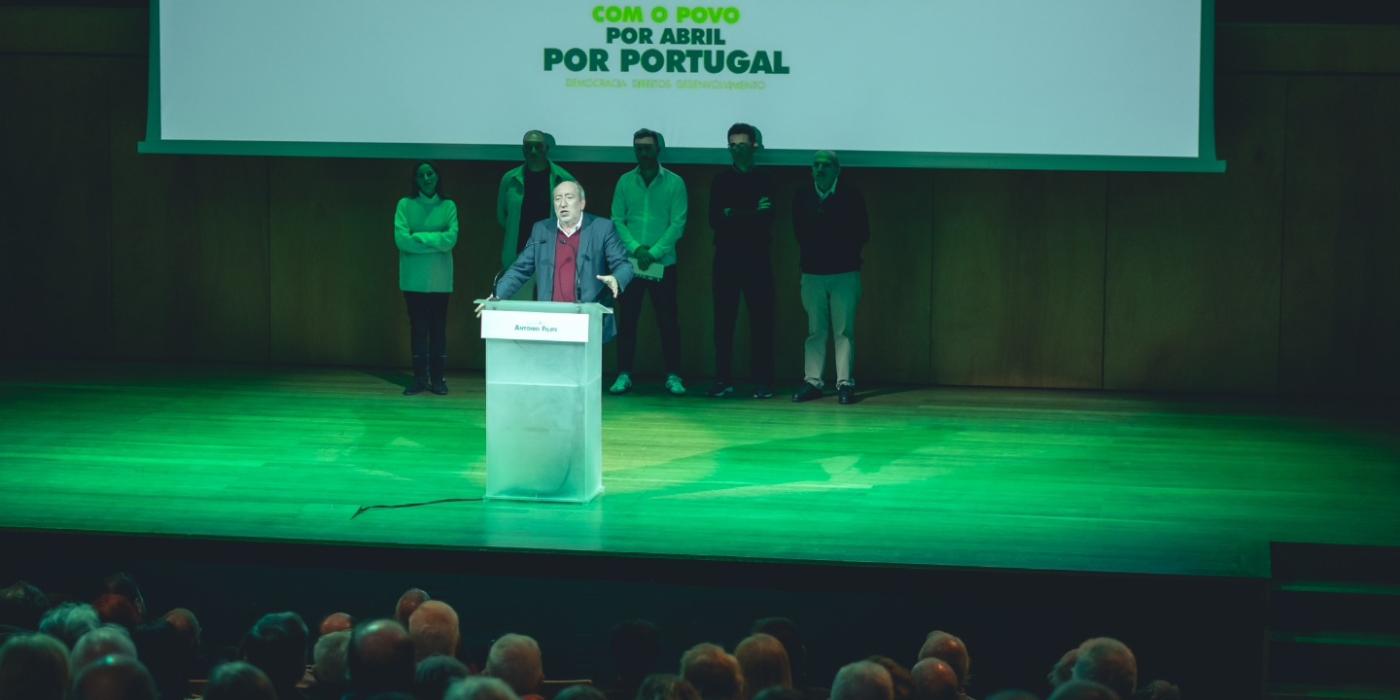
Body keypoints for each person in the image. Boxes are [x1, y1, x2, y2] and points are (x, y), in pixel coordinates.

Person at [480, 181, 633, 342]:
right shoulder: (541, 230)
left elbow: (624, 265)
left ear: (582, 203)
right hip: (551, 324)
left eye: (569, 197)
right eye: (558, 198)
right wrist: (497, 295)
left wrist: (616, 279)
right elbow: (520, 269)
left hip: (589, 321)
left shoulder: (602, 228)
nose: (563, 203)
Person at [609, 128, 689, 396]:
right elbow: (617, 219)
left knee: (668, 321)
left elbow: (677, 223)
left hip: (663, 263)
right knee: (628, 320)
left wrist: (652, 253)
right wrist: (636, 249)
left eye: (647, 147)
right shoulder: (624, 182)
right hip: (629, 264)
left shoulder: (675, 183)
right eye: (638, 148)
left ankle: (673, 375)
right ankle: (624, 374)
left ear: (658, 149)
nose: (643, 152)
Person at [790, 151, 869, 405]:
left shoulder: (851, 195)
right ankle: (812, 381)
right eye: (816, 165)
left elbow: (862, 232)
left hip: (844, 271)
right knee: (815, 331)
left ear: (837, 170)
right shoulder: (803, 195)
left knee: (843, 331)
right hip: (812, 272)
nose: (820, 169)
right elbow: (800, 231)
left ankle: (845, 383)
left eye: (826, 165)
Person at [708, 123, 777, 399]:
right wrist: (751, 213)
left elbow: (767, 219)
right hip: (726, 258)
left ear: (754, 147)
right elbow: (715, 220)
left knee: (762, 321)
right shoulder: (720, 180)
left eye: (742, 145)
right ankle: (723, 379)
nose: (737, 150)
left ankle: (763, 381)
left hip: (757, 258)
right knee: (723, 322)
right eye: (732, 145)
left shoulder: (766, 180)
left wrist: (733, 214)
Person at [394, 162, 459, 395]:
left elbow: (450, 240)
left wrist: (419, 237)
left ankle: (438, 379)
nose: (426, 178)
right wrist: (435, 240)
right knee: (418, 331)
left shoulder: (448, 205)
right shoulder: (405, 204)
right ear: (415, 179)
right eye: (421, 175)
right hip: (413, 281)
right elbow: (402, 241)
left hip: (440, 281)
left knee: (438, 330)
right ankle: (420, 379)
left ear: (437, 176)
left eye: (430, 173)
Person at [498, 131, 576, 288]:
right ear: (523, 150)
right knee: (516, 302)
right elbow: (502, 216)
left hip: (552, 258)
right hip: (517, 257)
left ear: (547, 149)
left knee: (550, 302)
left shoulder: (564, 179)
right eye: (528, 147)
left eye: (538, 147)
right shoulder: (510, 179)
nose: (533, 151)